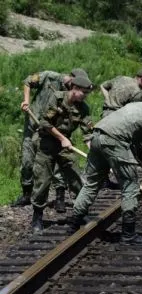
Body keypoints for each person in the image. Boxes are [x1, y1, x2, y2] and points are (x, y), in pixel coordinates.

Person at [68, 100, 142, 245]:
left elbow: (130, 125)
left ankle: (74, 223)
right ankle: (128, 234)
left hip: (97, 136)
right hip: (115, 140)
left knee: (92, 183)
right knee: (130, 186)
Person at [13, 68, 88, 209]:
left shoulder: (72, 96)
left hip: (54, 132)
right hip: (33, 124)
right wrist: (26, 101)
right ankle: (26, 194)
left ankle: (60, 197)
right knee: (27, 161)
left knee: (57, 163)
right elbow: (27, 82)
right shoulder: (49, 76)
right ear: (70, 78)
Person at [30, 76, 94, 233]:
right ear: (74, 88)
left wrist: (92, 149)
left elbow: (88, 133)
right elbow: (45, 123)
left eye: (87, 93)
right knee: (43, 181)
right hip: (47, 142)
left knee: (76, 178)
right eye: (83, 92)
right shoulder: (57, 98)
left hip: (65, 146)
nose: (84, 96)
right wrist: (62, 138)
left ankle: (81, 213)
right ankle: (37, 217)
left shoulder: (83, 108)